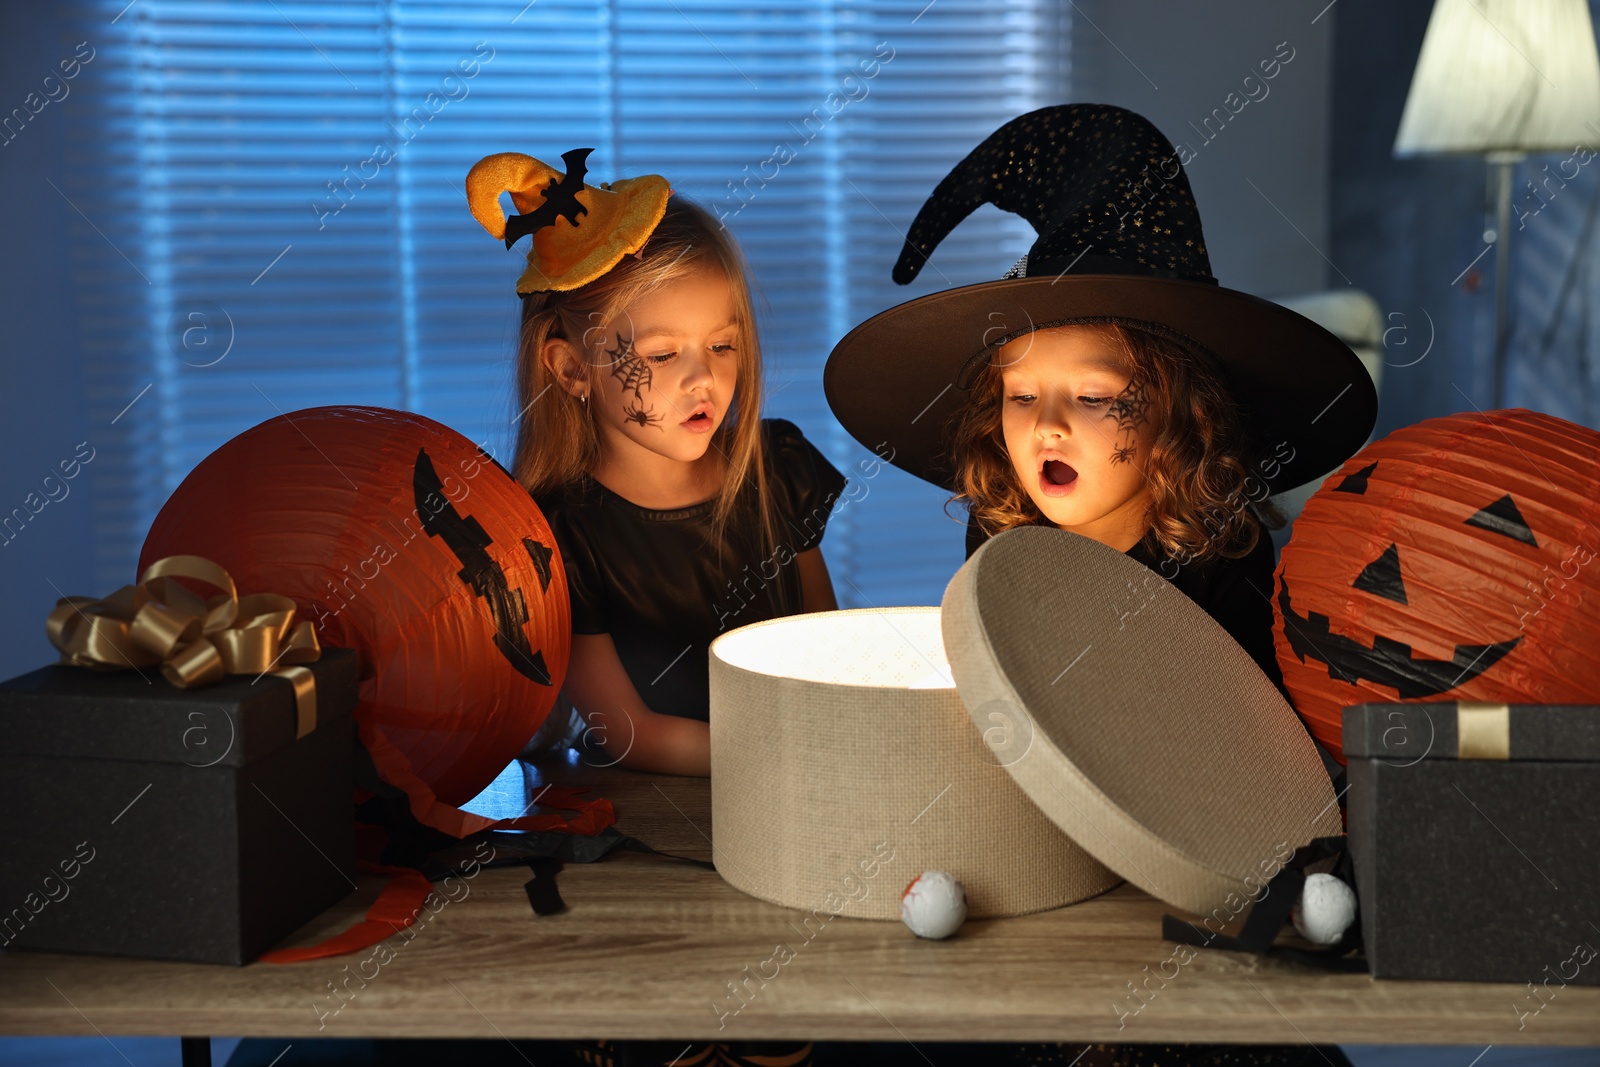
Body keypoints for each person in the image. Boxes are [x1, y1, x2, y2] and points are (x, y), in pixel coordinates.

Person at [823, 104, 1373, 1067]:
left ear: (1177, 416)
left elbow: (1258, 778)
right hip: (1039, 896)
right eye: (1021, 396)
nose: (1046, 427)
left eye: (1094, 396)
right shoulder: (1006, 550)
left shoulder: (1229, 568)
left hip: (1198, 898)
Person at [466, 149, 845, 779]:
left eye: (722, 345)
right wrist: (782, 756)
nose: (705, 378)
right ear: (570, 369)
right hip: (658, 818)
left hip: (808, 786)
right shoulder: (559, 534)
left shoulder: (776, 470)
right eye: (664, 355)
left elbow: (828, 656)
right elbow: (627, 731)